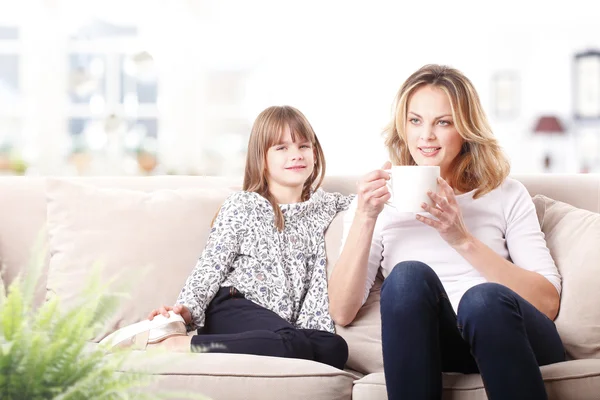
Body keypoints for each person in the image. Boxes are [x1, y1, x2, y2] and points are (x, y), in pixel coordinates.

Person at [328, 64, 566, 398]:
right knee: (407, 275)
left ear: (466, 129)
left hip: (511, 334)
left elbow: (547, 304)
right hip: (436, 345)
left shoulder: (505, 194)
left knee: (481, 300)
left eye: (443, 122)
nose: (426, 135)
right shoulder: (378, 202)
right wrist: (366, 217)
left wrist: (462, 239)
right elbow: (341, 309)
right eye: (415, 121)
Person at [102, 105, 352, 370]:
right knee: (290, 342)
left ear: (315, 152)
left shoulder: (328, 205)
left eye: (304, 146)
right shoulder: (243, 205)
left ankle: (257, 343)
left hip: (279, 323)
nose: (296, 155)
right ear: (262, 158)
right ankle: (176, 345)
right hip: (233, 305)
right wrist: (185, 310)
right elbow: (211, 265)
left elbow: (375, 203)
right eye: (282, 148)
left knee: (334, 347)